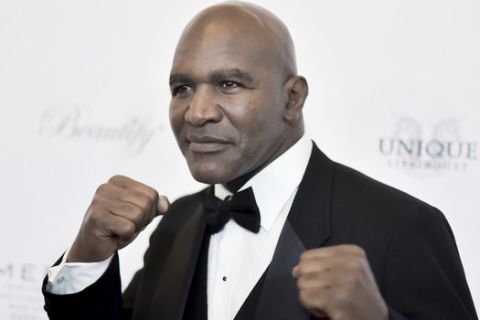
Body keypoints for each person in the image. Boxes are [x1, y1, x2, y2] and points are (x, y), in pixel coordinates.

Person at [42, 2, 478, 319]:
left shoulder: (400, 226)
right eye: (182, 88)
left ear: (293, 97)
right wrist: (89, 256)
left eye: (229, 84)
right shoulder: (175, 225)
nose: (197, 112)